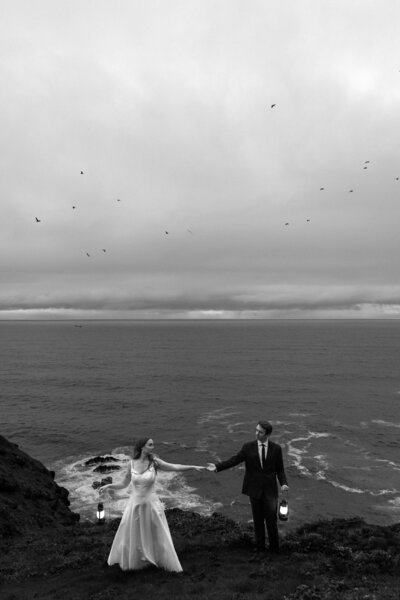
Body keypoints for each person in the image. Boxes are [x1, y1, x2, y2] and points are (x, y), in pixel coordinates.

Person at [99, 437, 205, 572]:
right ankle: (136, 562)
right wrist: (108, 485)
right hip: (135, 505)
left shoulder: (154, 462)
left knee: (156, 534)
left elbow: (174, 467)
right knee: (133, 533)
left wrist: (192, 467)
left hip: (151, 505)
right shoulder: (131, 464)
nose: (152, 447)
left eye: (153, 444)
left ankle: (158, 559)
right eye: (150, 445)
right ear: (142, 447)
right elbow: (124, 483)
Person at [207, 421, 288, 554]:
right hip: (254, 489)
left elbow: (280, 470)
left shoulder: (276, 449)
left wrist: (284, 483)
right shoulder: (248, 447)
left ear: (267, 434)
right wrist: (217, 467)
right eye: (256, 430)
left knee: (271, 521)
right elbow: (235, 460)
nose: (256, 433)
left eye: (260, 432)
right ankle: (260, 549)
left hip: (270, 491)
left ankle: (274, 550)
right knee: (258, 521)